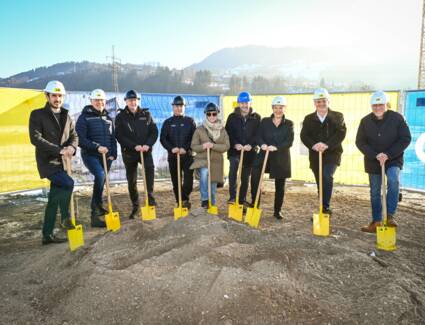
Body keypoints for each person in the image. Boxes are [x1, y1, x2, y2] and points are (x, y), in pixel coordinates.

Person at [29, 80, 78, 245]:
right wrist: (59, 150)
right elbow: (35, 138)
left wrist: (71, 147)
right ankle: (65, 218)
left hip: (63, 163)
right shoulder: (37, 115)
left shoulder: (66, 115)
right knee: (68, 183)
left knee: (54, 199)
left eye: (60, 96)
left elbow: (74, 136)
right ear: (47, 96)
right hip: (47, 162)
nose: (57, 99)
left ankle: (47, 235)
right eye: (54, 95)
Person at [356, 91, 411, 233]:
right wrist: (375, 155)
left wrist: (388, 154)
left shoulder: (397, 118)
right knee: (375, 191)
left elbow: (405, 138)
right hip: (373, 160)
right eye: (375, 105)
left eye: (380, 104)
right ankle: (376, 221)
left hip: (393, 158)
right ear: (371, 106)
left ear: (386, 104)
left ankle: (389, 216)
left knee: (393, 180)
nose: (377, 107)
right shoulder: (365, 121)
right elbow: (360, 142)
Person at [300, 88, 347, 216]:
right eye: (318, 101)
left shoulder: (338, 116)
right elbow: (304, 135)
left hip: (332, 153)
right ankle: (322, 206)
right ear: (314, 103)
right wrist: (314, 145)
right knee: (320, 181)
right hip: (315, 155)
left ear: (328, 101)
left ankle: (325, 207)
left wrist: (327, 145)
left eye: (323, 101)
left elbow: (341, 133)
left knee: (327, 175)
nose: (321, 104)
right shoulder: (309, 118)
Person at [76, 89, 117, 227]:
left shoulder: (108, 118)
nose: (99, 103)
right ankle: (95, 211)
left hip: (107, 156)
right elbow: (80, 139)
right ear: (91, 101)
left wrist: (113, 154)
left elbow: (112, 138)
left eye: (102, 100)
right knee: (99, 175)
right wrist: (97, 147)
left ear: (105, 102)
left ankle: (98, 208)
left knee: (102, 179)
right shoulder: (84, 117)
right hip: (91, 155)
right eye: (97, 100)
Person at [115, 90, 158, 219]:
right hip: (129, 153)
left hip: (145, 151)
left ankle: (150, 198)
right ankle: (135, 206)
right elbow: (119, 136)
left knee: (149, 170)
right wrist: (133, 146)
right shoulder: (121, 117)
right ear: (126, 102)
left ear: (138, 101)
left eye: (135, 100)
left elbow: (154, 132)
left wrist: (148, 144)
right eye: (130, 100)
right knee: (131, 181)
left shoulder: (146, 114)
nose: (133, 102)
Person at [251, 96, 294, 220]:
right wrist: (262, 144)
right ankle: (255, 204)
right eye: (276, 108)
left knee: (280, 185)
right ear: (272, 108)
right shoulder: (265, 121)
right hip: (264, 155)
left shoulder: (289, 124)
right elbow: (258, 136)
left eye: (281, 108)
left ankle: (277, 211)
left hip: (281, 157)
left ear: (285, 108)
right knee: (255, 178)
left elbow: (289, 141)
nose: (278, 110)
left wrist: (277, 147)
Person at [225, 91, 261, 207]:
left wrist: (251, 144)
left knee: (245, 177)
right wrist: (235, 144)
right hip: (235, 150)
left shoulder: (256, 117)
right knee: (233, 170)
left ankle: (241, 200)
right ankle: (232, 196)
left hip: (249, 152)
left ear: (250, 103)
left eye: (246, 103)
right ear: (238, 104)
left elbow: (258, 134)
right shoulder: (232, 117)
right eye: (242, 103)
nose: (244, 106)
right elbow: (228, 133)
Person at [190, 102, 230, 208]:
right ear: (205, 115)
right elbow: (193, 146)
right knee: (204, 172)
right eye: (209, 114)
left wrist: (213, 146)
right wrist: (203, 146)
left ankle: (211, 203)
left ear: (217, 114)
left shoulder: (222, 130)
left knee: (212, 187)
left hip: (216, 162)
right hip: (203, 160)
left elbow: (226, 146)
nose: (211, 116)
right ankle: (204, 200)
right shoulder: (199, 129)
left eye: (214, 114)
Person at [160, 96, 196, 209]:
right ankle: (181, 202)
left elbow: (194, 138)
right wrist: (171, 149)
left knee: (188, 182)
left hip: (188, 156)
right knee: (176, 181)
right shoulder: (168, 122)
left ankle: (184, 198)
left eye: (181, 106)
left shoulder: (190, 121)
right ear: (173, 107)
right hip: (173, 157)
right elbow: (163, 139)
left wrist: (186, 148)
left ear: (184, 107)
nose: (178, 108)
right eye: (176, 106)